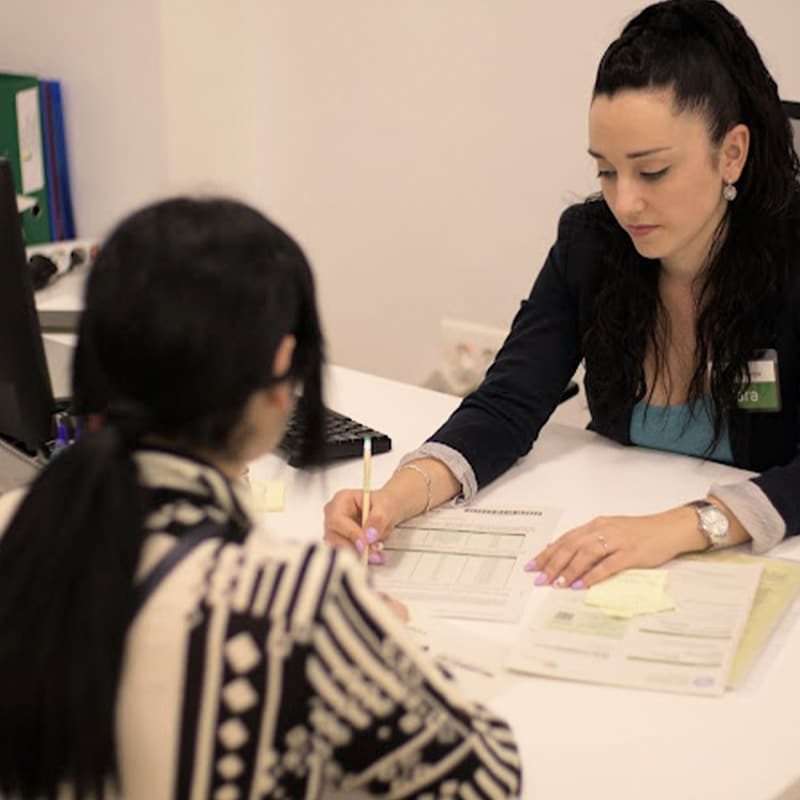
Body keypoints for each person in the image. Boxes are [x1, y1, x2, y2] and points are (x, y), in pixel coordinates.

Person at [0, 198, 521, 799]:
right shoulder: (292, 606)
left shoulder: (22, 525)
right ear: (281, 368)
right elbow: (485, 778)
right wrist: (380, 645)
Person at [325, 0, 800, 589]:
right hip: (619, 559)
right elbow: (507, 405)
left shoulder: (789, 262)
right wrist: (395, 496)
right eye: (606, 171)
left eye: (652, 172)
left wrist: (682, 527)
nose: (624, 203)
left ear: (732, 153)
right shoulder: (592, 245)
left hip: (758, 566)